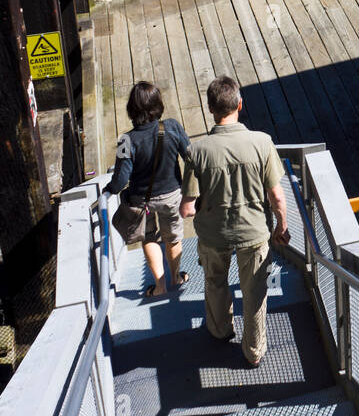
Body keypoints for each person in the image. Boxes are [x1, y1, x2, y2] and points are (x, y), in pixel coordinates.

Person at [180, 76, 290, 368]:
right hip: (254, 233)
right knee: (254, 291)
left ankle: (219, 329)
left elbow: (187, 210)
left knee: (215, 282)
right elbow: (277, 197)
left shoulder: (196, 152)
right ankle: (254, 351)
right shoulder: (262, 142)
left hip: (214, 236)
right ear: (240, 104)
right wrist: (281, 227)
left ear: (210, 109)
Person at [104, 81, 190, 298]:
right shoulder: (173, 126)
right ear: (157, 104)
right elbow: (190, 155)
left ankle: (159, 287)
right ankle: (176, 277)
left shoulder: (126, 140)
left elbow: (120, 179)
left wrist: (109, 190)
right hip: (172, 195)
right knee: (173, 237)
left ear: (132, 109)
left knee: (149, 237)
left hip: (142, 201)